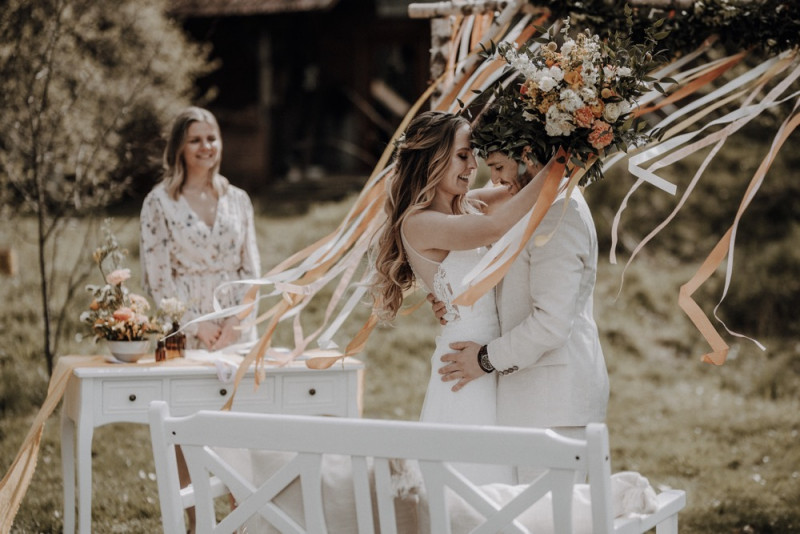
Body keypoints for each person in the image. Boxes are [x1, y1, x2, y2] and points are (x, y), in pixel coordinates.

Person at [371, 110, 552, 484]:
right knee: (475, 485)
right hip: (463, 370)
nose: (473, 166)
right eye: (463, 155)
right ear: (433, 159)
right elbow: (494, 226)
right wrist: (563, 163)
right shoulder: (419, 222)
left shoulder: (465, 204)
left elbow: (516, 189)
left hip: (490, 361)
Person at [435, 114, 610, 484]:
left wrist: (484, 359)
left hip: (555, 402)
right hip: (532, 399)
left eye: (498, 167)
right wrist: (457, 297)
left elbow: (551, 323)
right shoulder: (533, 206)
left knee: (552, 521)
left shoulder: (559, 214)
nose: (494, 179)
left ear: (527, 154)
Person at [140, 106, 260, 351]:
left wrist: (237, 320)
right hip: (183, 328)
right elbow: (157, 278)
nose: (206, 147)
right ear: (179, 148)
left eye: (211, 138)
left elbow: (251, 269)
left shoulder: (238, 199)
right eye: (195, 140)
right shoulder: (159, 203)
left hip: (235, 329)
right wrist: (195, 325)